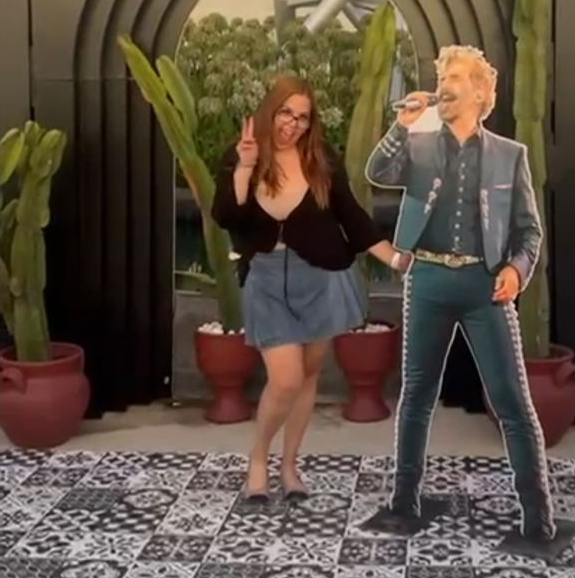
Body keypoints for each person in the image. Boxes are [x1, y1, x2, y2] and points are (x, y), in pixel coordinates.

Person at [365, 44, 556, 543]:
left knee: (511, 401)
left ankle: (537, 514)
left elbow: (529, 232)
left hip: (483, 286)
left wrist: (516, 270)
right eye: (441, 77)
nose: (443, 85)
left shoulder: (511, 156)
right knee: (416, 395)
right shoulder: (419, 144)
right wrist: (401, 126)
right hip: (427, 279)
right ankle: (403, 500)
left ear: (479, 91)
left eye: (454, 77)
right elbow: (377, 173)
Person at [212, 74, 411, 503]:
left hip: (321, 277)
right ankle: (259, 459)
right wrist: (244, 167)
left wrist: (397, 260)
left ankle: (289, 466)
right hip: (266, 278)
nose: (293, 124)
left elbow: (352, 217)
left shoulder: (321, 158)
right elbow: (226, 216)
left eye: (302, 117)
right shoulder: (242, 152)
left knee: (307, 376)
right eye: (286, 112)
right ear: (271, 109)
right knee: (284, 379)